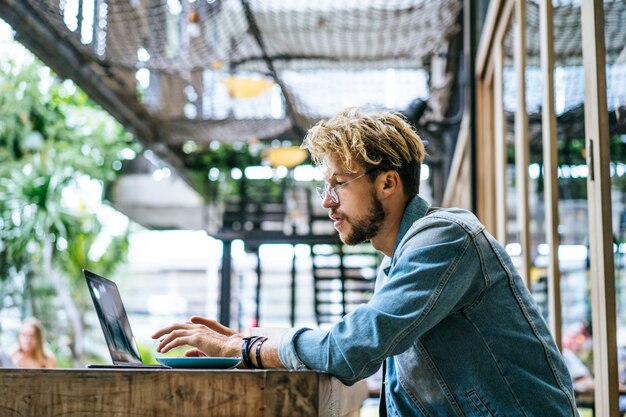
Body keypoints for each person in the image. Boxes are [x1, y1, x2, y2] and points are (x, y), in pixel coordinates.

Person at [153, 108, 578, 416]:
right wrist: (253, 344)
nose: (327, 202)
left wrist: (247, 348)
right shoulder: (398, 260)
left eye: (338, 184)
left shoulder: (447, 237)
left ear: (388, 182)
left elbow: (352, 349)